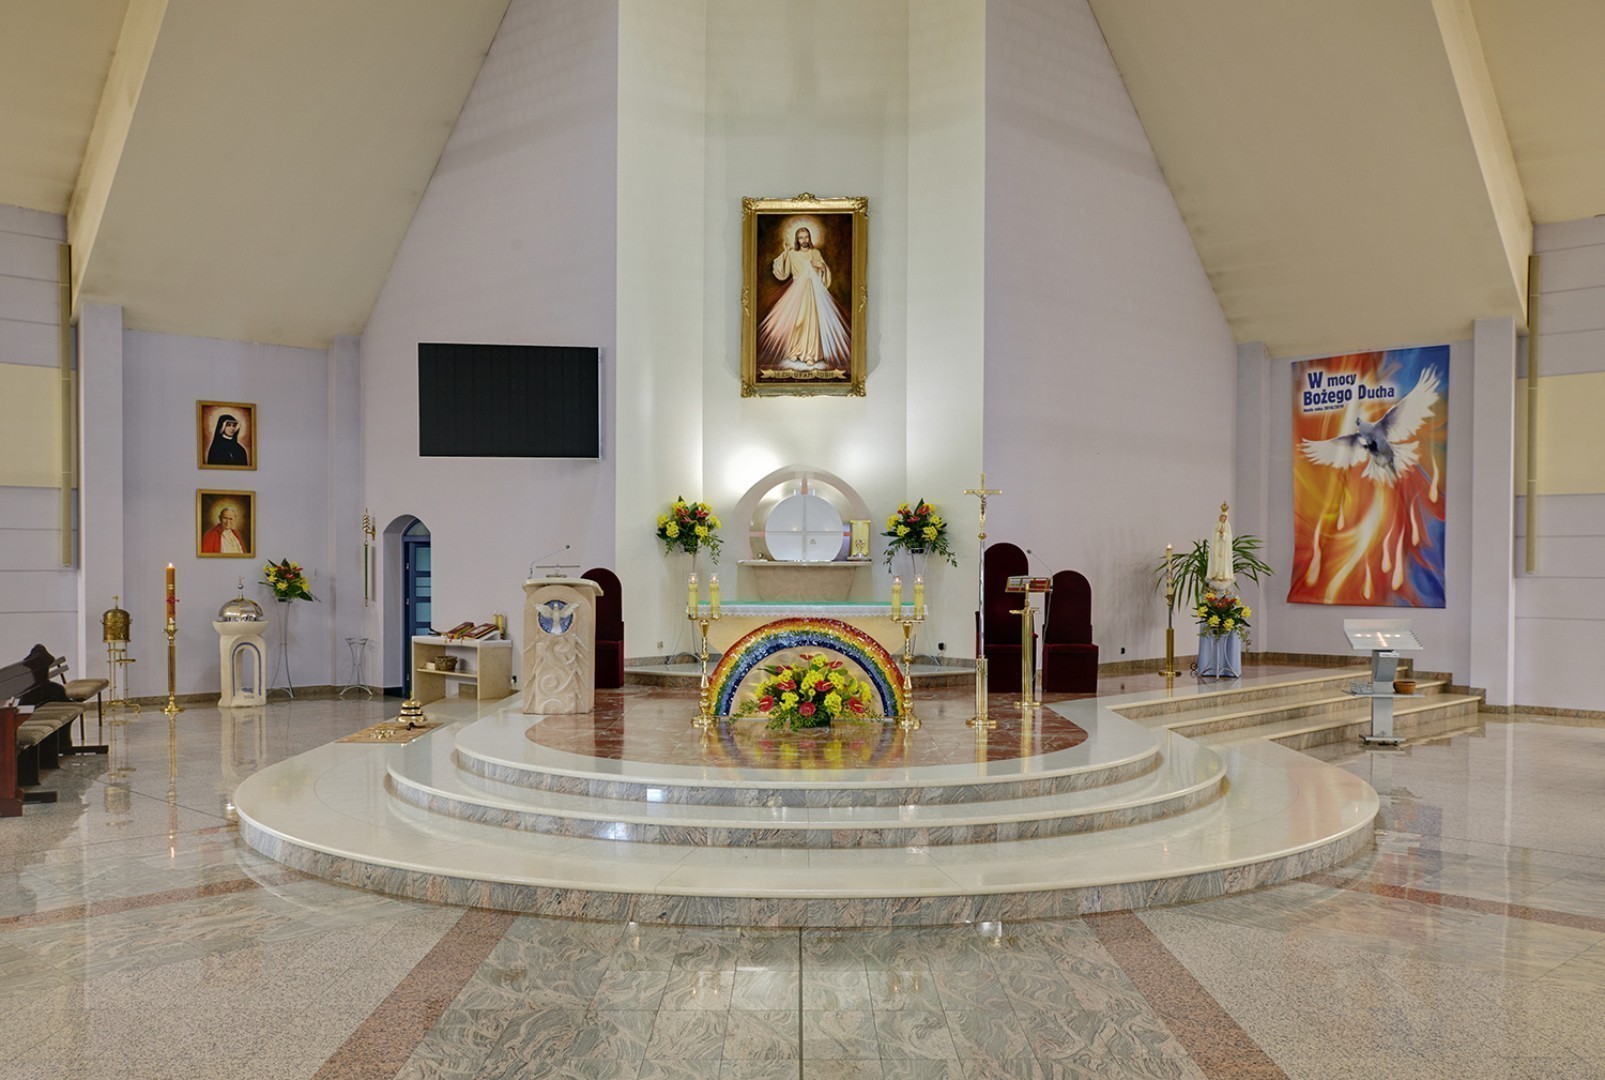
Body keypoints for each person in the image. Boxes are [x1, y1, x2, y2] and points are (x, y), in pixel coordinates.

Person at [759, 226, 851, 371]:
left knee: (812, 321)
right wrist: (785, 252)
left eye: (806, 236)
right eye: (801, 237)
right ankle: (795, 351)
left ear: (809, 238)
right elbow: (782, 273)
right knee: (797, 321)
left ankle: (811, 354)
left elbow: (824, 271)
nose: (804, 240)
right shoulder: (792, 254)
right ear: (797, 239)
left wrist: (821, 266)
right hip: (798, 292)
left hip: (813, 291)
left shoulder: (815, 253)